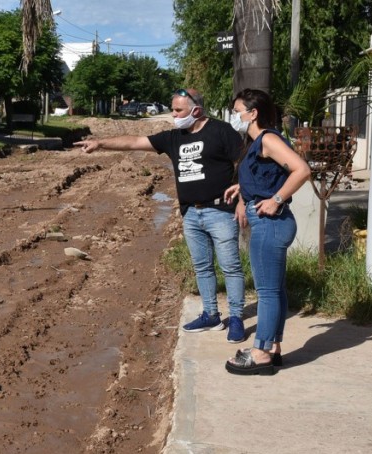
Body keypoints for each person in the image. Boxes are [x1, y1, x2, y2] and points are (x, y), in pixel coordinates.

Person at [75, 88, 247, 343]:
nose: (173, 115)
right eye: (173, 109)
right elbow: (135, 142)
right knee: (202, 267)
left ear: (196, 111)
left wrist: (243, 196)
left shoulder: (222, 131)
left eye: (178, 110)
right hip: (191, 213)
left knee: (230, 267)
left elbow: (244, 161)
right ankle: (211, 314)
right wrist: (101, 143)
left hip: (220, 210)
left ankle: (236, 319)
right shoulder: (173, 137)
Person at [223, 88, 311, 376]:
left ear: (253, 113)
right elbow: (271, 175)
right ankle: (273, 348)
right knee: (275, 290)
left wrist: (275, 200)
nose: (234, 116)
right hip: (269, 223)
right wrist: (244, 188)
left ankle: (260, 352)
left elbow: (301, 170)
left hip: (270, 223)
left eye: (237, 111)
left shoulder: (268, 139)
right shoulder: (257, 143)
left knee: (268, 292)